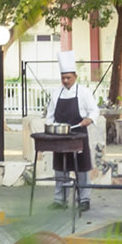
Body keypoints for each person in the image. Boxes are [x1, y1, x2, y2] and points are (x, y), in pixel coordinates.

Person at [44, 64, 99, 210]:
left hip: (79, 134)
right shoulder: (56, 93)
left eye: (68, 77)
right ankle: (60, 200)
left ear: (75, 76)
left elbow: (94, 110)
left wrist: (90, 119)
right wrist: (50, 127)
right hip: (60, 137)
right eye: (63, 78)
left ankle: (84, 200)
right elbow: (50, 116)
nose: (65, 80)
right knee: (60, 168)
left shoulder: (84, 92)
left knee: (82, 168)